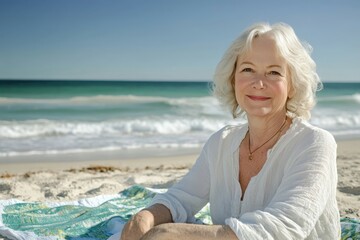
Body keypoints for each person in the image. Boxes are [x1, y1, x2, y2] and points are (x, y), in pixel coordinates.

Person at [120, 22, 341, 240]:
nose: (259, 82)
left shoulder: (314, 143)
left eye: (274, 72)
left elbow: (283, 229)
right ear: (233, 78)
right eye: (248, 69)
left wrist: (168, 232)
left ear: (292, 84)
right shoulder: (221, 142)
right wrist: (144, 219)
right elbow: (181, 198)